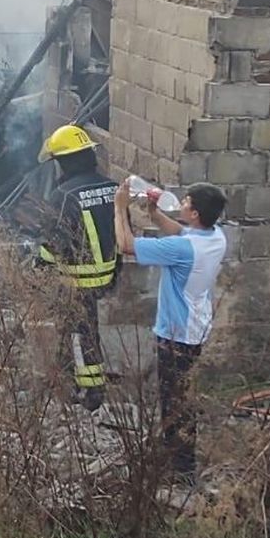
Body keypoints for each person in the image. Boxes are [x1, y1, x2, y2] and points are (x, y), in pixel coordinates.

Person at [114, 179, 228, 482]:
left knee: (174, 402)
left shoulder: (182, 248)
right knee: (182, 397)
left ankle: (181, 469)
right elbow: (181, 232)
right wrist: (153, 213)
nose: (182, 203)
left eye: (187, 202)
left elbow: (126, 246)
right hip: (195, 328)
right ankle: (178, 457)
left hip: (176, 334)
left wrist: (119, 209)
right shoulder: (215, 236)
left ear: (195, 214)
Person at [34, 124, 120, 410]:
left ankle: (90, 391)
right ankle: (75, 380)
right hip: (109, 273)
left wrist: (39, 264)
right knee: (84, 330)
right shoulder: (111, 187)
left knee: (78, 332)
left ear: (65, 161)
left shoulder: (63, 196)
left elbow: (54, 243)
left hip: (78, 279)